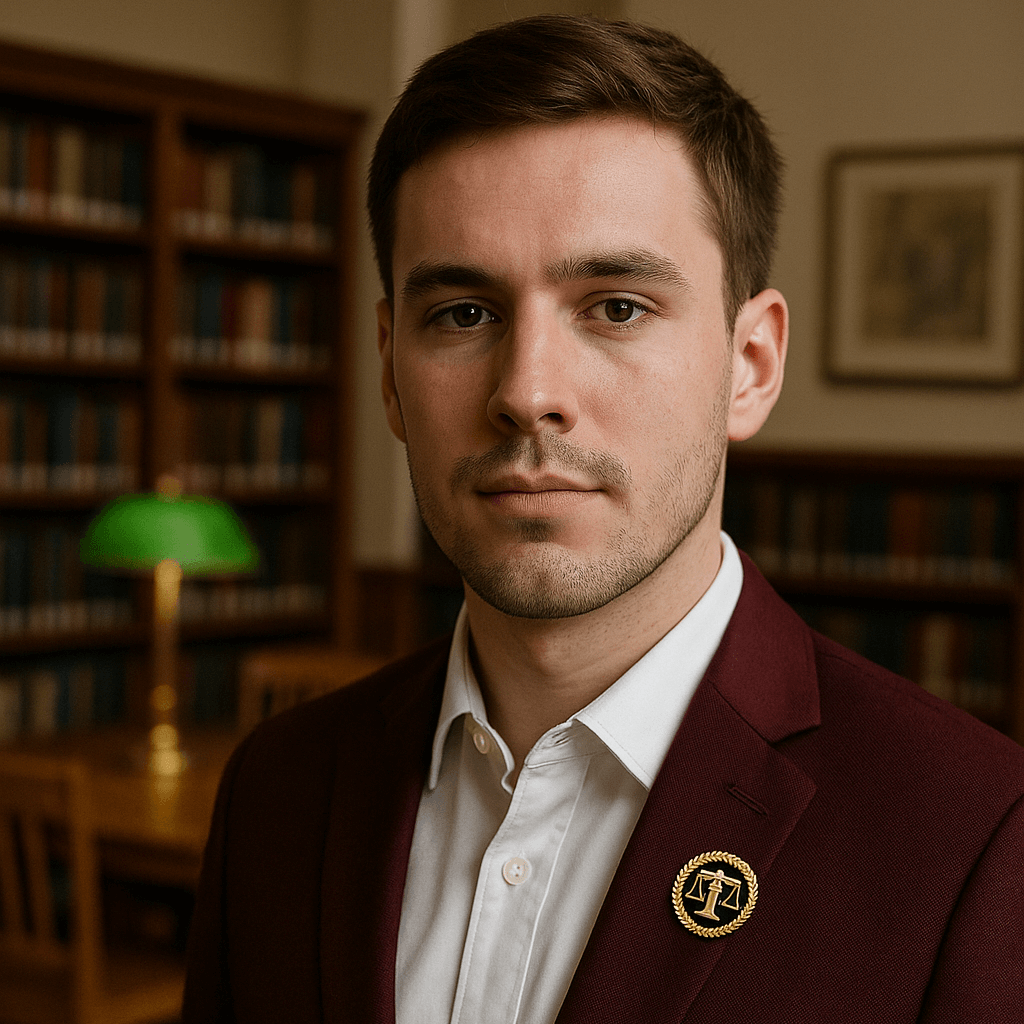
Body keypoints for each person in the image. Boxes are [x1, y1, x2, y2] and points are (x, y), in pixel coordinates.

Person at [183, 15, 1024, 1023]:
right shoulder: (278, 790)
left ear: (748, 366)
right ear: (388, 373)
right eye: (462, 313)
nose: (527, 391)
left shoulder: (973, 836)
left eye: (615, 305)